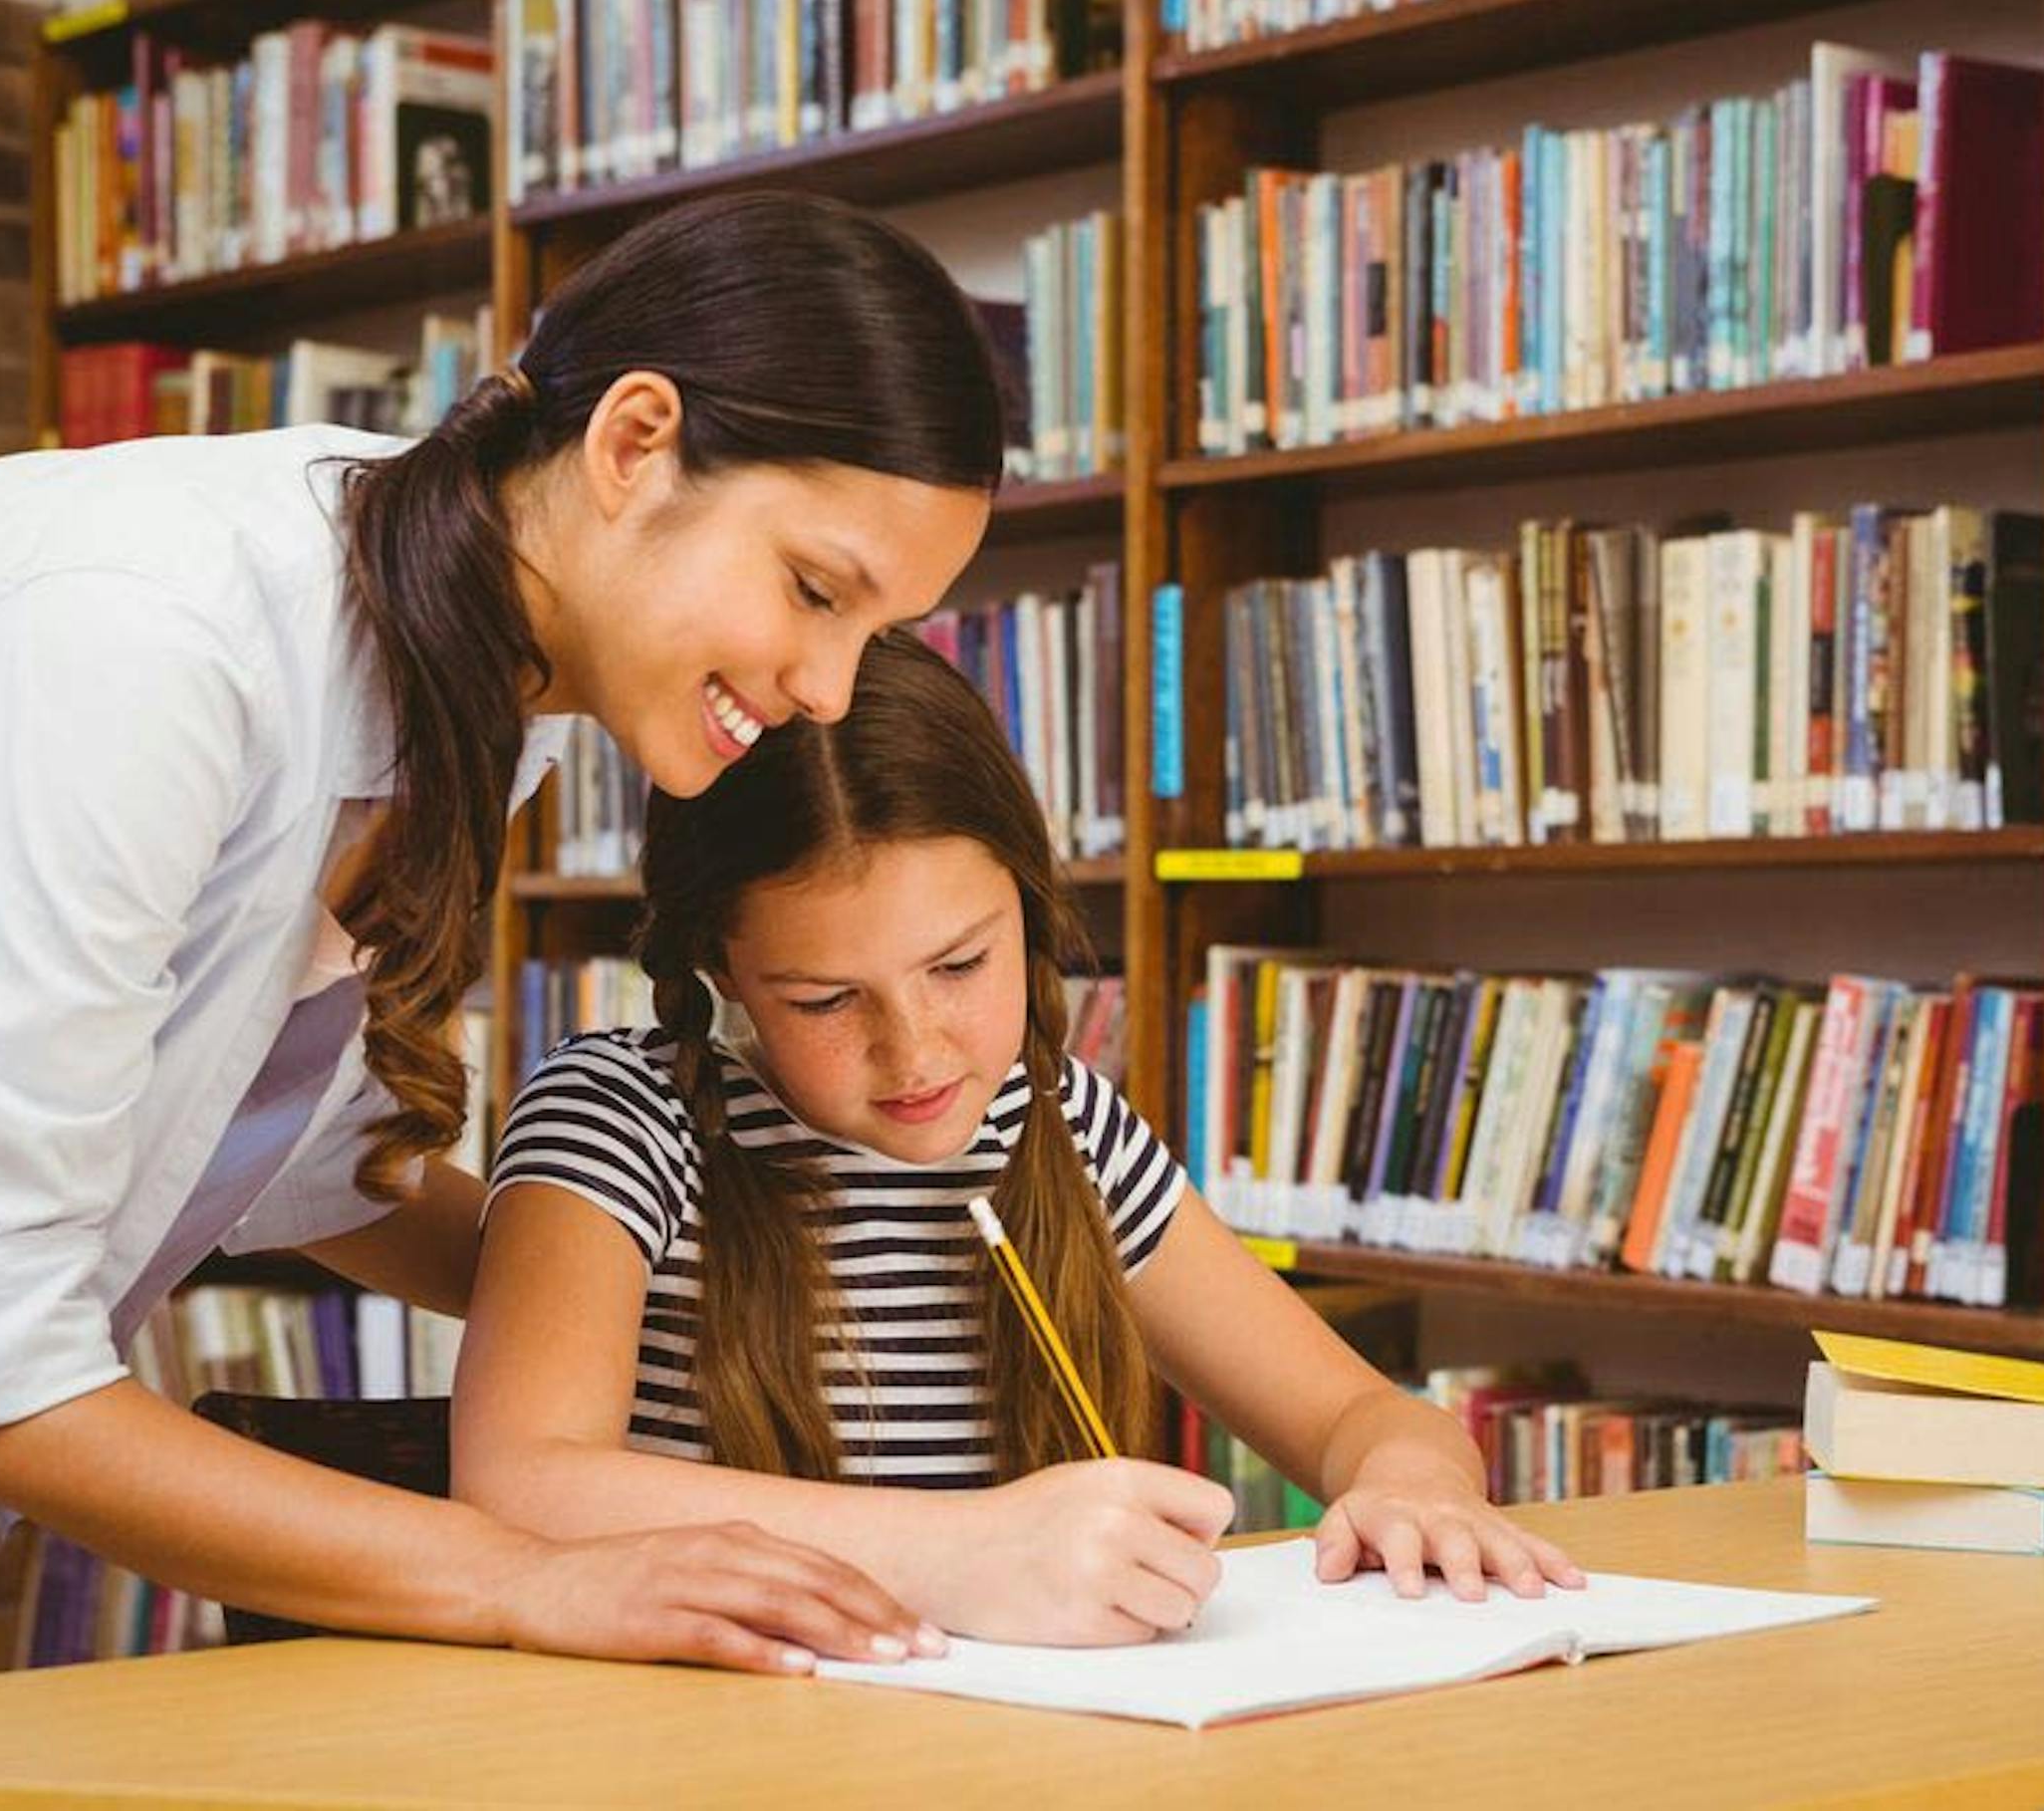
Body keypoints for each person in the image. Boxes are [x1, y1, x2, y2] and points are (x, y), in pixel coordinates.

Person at [0, 189, 1006, 1704]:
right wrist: (533, 1575)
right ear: (634, 444)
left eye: (877, 632)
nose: (831, 690)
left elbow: (282, 1165)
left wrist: (699, 1295)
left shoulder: (472, 667)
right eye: (814, 591)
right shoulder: (153, 643)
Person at [457, 631, 1587, 1647]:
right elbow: (519, 1482)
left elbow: (1359, 1413)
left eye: (959, 966)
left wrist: (1412, 1481)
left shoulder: (1067, 1128)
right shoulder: (622, 1119)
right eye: (823, 1001)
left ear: (1030, 910)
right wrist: (957, 1549)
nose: (916, 1053)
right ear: (721, 971)